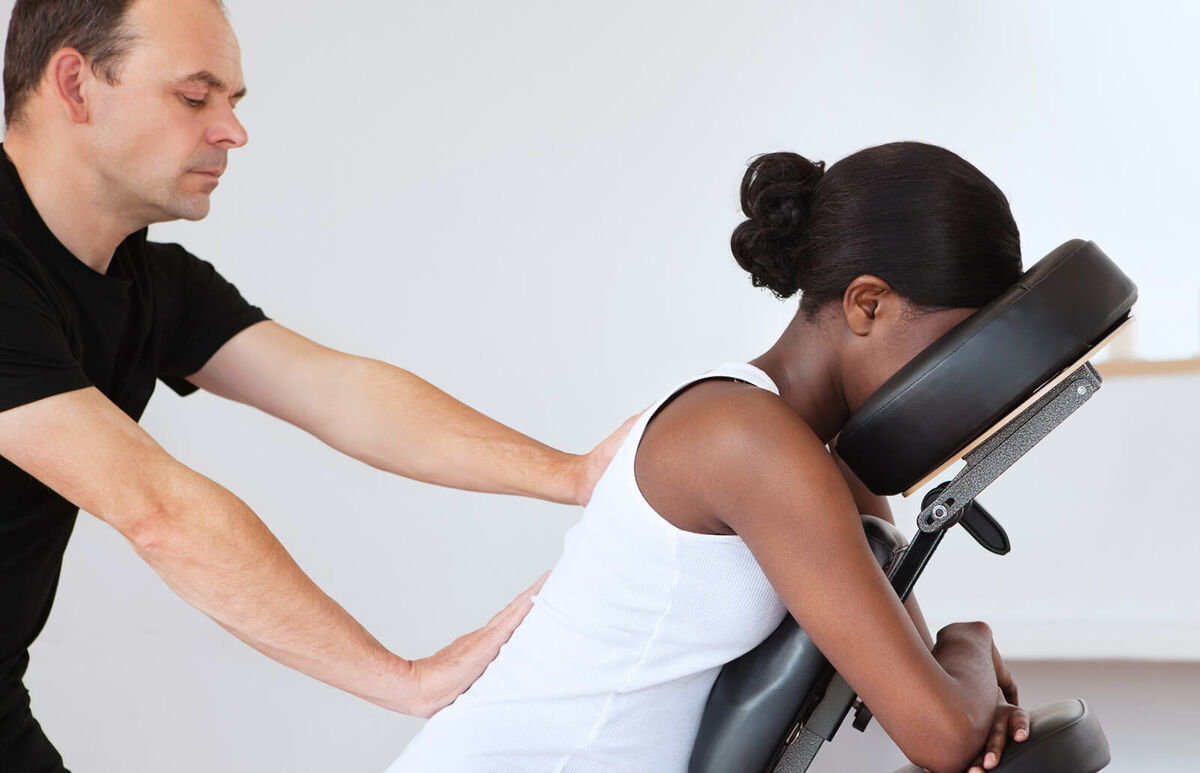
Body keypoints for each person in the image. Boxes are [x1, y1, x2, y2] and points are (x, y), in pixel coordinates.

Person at [0, 0, 631, 769]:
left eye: (233, 102)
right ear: (74, 84)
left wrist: (574, 475)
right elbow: (160, 511)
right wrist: (407, 681)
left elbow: (336, 392)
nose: (232, 130)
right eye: (195, 96)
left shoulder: (149, 282)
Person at [388, 142, 1034, 773]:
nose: (960, 379)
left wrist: (962, 683)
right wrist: (969, 639)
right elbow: (943, 731)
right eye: (955, 344)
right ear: (868, 303)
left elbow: (926, 691)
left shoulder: (820, 454)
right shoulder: (747, 438)